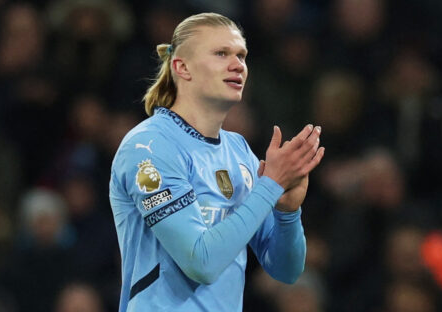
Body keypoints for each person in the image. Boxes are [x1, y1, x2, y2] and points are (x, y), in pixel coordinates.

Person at [108, 12, 324, 311]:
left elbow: (285, 271)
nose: (238, 65)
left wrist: (288, 212)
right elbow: (201, 262)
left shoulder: (238, 151)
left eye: (241, 55)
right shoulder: (148, 147)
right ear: (182, 67)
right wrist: (271, 184)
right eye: (221, 53)